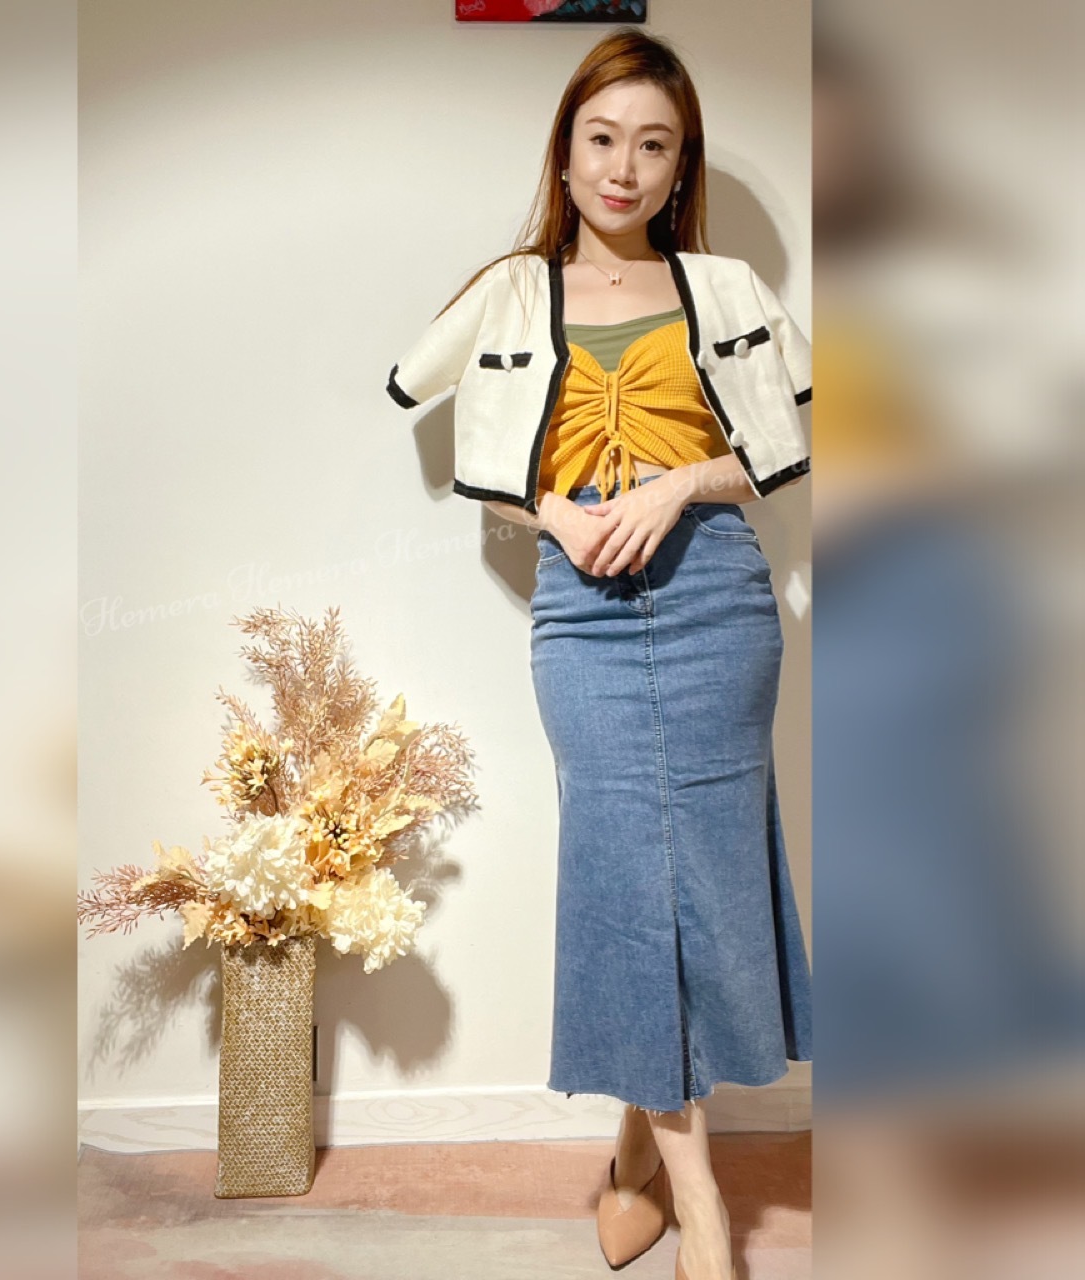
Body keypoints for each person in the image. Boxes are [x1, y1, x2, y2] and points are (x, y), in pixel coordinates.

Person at [387, 29, 812, 1280]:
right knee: (627, 878)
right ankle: (703, 1204)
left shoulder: (726, 288)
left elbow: (787, 443)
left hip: (717, 599)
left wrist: (678, 482)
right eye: (602, 138)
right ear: (565, 152)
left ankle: (642, 1151)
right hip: (578, 612)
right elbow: (424, 402)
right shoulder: (511, 292)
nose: (623, 168)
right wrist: (553, 514)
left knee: (703, 876)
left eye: (653, 145)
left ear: (679, 165)